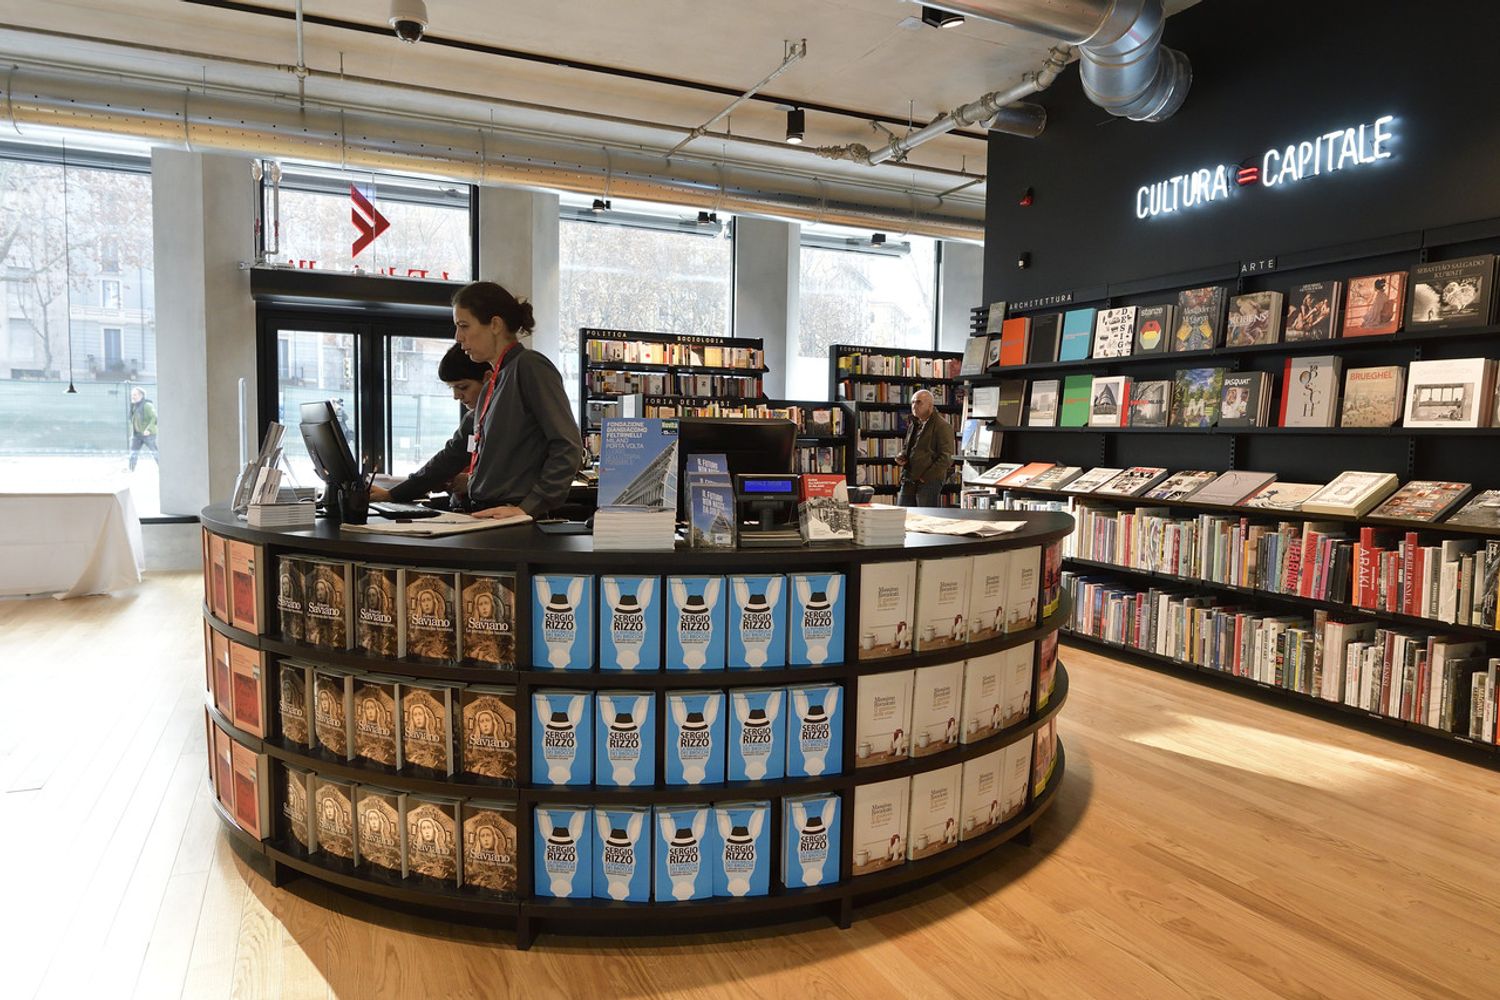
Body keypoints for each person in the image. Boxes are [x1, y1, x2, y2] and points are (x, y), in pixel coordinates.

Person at [450, 281, 583, 519]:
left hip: (511, 518)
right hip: (486, 514)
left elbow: (567, 445)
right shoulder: (495, 381)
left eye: (464, 326)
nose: (458, 337)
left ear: (495, 324)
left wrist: (528, 508)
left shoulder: (530, 366)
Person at [370, 344, 491, 505]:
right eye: (452, 388)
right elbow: (445, 462)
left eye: (462, 387)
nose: (456, 396)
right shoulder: (472, 419)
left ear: (488, 378)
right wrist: (393, 494)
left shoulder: (507, 416)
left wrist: (471, 482)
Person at [894, 389, 953, 507]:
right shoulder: (914, 424)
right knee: (903, 514)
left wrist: (925, 477)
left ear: (930, 406)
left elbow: (946, 458)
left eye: (919, 402)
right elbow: (908, 448)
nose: (914, 406)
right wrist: (902, 456)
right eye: (912, 402)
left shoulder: (942, 426)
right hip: (909, 477)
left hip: (928, 481)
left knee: (925, 519)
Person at [127, 386, 158, 471]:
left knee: (155, 452)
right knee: (133, 453)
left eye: (135, 395)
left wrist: (149, 430)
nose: (132, 396)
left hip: (148, 435)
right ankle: (131, 470)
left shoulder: (147, 405)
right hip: (136, 435)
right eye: (132, 395)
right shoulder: (133, 406)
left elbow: (154, 418)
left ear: (141, 396)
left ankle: (163, 468)